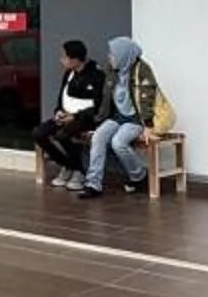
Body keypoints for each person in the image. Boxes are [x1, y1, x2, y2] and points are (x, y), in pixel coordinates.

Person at [73, 35, 174, 198]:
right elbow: (106, 98)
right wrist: (98, 121)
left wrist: (148, 125)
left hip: (136, 119)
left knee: (118, 142)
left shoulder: (142, 70)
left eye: (112, 54)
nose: (109, 57)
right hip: (118, 116)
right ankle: (93, 184)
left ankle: (139, 175)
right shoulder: (113, 70)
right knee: (98, 137)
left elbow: (147, 97)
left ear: (123, 54)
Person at [33, 38, 103, 189]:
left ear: (76, 59)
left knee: (63, 135)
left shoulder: (96, 74)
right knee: (39, 133)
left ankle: (80, 171)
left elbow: (99, 105)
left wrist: (75, 116)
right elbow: (61, 97)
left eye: (64, 57)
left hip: (85, 119)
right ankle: (68, 165)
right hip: (66, 115)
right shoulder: (69, 74)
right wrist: (58, 111)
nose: (61, 60)